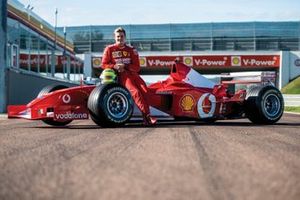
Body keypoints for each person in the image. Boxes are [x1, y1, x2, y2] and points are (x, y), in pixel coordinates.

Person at [101, 27, 156, 125]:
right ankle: (148, 117)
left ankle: (146, 118)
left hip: (133, 74)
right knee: (136, 92)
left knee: (145, 91)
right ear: (114, 37)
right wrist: (114, 66)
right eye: (118, 36)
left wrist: (125, 65)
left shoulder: (131, 49)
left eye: (122, 36)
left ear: (125, 37)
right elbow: (103, 64)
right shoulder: (109, 49)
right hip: (121, 75)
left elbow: (137, 67)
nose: (120, 38)